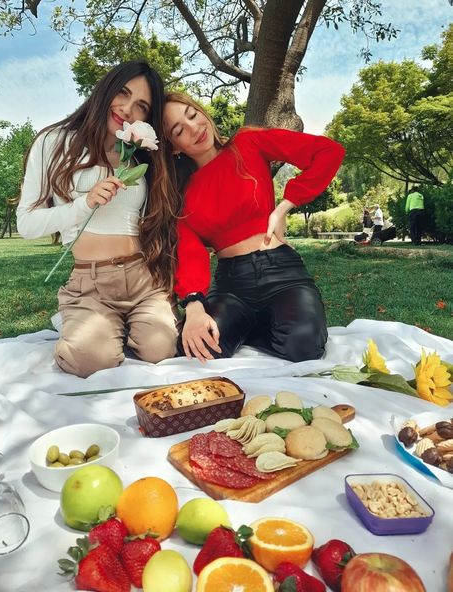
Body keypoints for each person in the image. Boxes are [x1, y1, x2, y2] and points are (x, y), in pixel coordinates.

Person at [17, 61, 181, 378]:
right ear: (106, 89)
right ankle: (79, 319)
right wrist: (84, 203)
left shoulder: (137, 157)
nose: (127, 109)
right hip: (90, 283)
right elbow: (26, 223)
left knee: (160, 350)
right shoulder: (55, 142)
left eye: (141, 106)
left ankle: (122, 326)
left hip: (141, 277)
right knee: (90, 361)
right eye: (123, 93)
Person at [163, 92, 345, 363]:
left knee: (304, 346)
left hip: (282, 273)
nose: (193, 128)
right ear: (174, 146)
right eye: (179, 130)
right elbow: (190, 254)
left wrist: (286, 204)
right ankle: (256, 325)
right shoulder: (182, 196)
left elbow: (328, 151)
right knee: (200, 348)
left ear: (203, 113)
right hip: (231, 285)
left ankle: (256, 327)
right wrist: (194, 308)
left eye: (193, 115)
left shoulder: (247, 142)